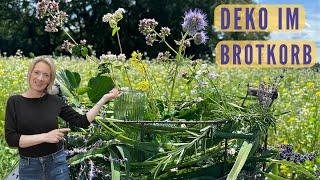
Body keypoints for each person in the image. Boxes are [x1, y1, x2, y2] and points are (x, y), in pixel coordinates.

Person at [4, 56, 119, 180]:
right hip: (29, 167)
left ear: (50, 80)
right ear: (30, 73)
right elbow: (12, 140)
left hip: (56, 164)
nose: (40, 78)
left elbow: (82, 121)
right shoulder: (15, 101)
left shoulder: (55, 102)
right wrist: (46, 137)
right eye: (37, 72)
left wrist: (104, 99)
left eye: (46, 75)